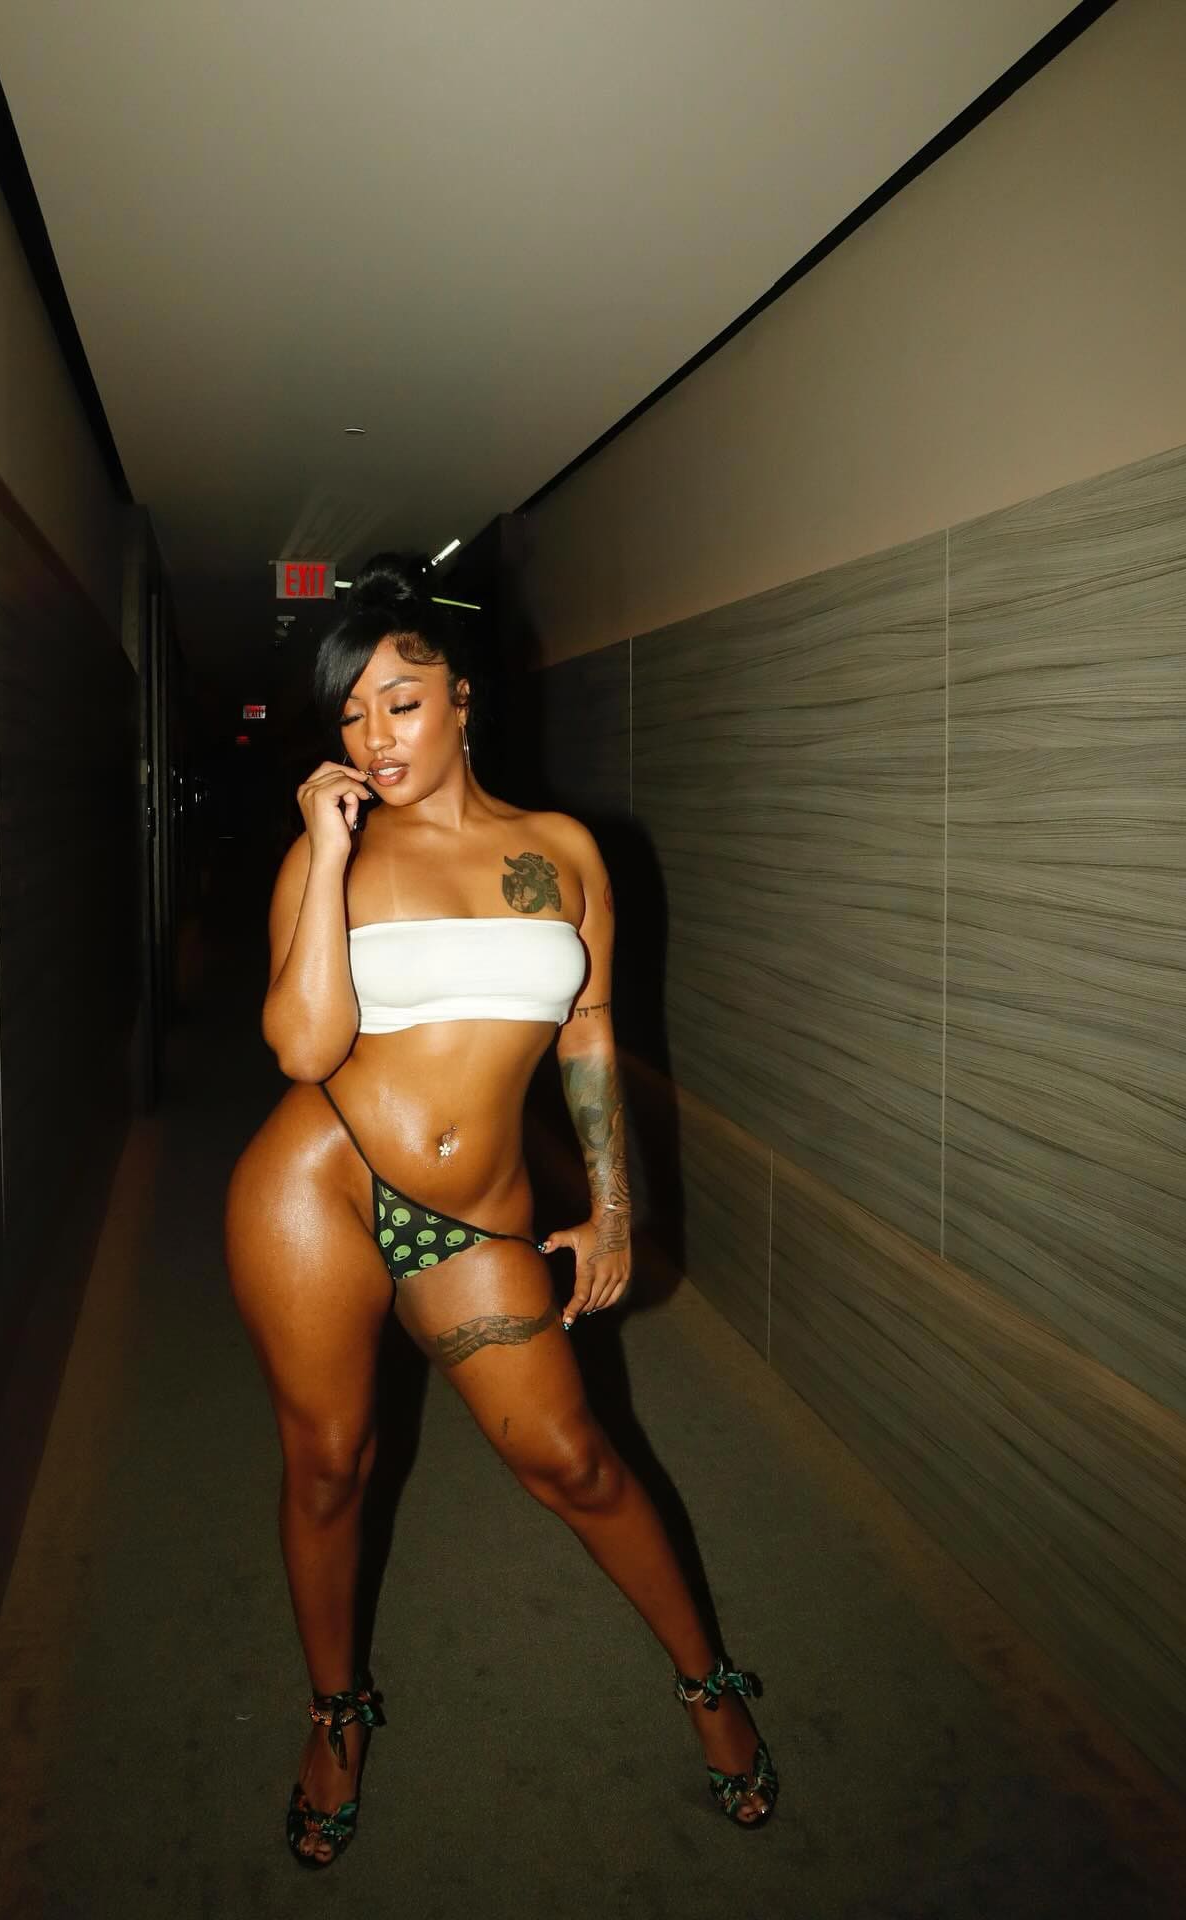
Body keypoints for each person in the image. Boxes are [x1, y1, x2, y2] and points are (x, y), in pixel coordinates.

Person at [225, 556, 777, 1869]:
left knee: (574, 1460)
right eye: (351, 713)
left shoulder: (566, 852)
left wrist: (614, 1208)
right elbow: (302, 1047)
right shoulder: (331, 857)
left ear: (463, 698)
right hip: (320, 1183)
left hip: (474, 1214)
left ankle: (707, 1683)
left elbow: (588, 1034)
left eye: (402, 701)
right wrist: (325, 849)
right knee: (330, 1462)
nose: (376, 736)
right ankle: (335, 1713)